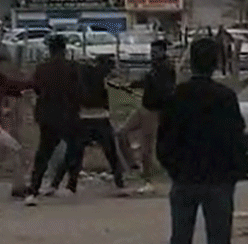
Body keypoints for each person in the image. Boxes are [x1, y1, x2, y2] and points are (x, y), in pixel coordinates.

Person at [157, 37, 248, 244]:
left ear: (190, 61)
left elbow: (164, 142)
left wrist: (175, 170)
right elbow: (238, 141)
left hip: (184, 181)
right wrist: (233, 174)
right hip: (218, 182)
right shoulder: (225, 97)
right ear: (217, 63)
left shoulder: (177, 96)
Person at [40, 56, 130, 201]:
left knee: (74, 153)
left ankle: (62, 185)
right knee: (108, 153)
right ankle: (119, 185)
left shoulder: (86, 76)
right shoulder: (94, 76)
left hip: (88, 118)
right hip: (95, 118)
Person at [23, 34, 84, 206]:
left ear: (50, 50)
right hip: (68, 116)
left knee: (43, 153)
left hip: (47, 116)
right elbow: (79, 91)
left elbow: (36, 88)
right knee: (75, 149)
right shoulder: (72, 67)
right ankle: (70, 184)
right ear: (64, 50)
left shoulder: (42, 68)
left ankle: (33, 191)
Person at [116, 39, 176, 194]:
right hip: (143, 108)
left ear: (163, 51)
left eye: (155, 52)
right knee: (121, 133)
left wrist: (149, 83)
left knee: (146, 149)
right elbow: (146, 82)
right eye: (151, 51)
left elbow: (165, 91)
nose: (152, 54)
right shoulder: (154, 68)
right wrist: (133, 85)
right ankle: (133, 166)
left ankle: (148, 181)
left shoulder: (166, 68)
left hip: (154, 111)